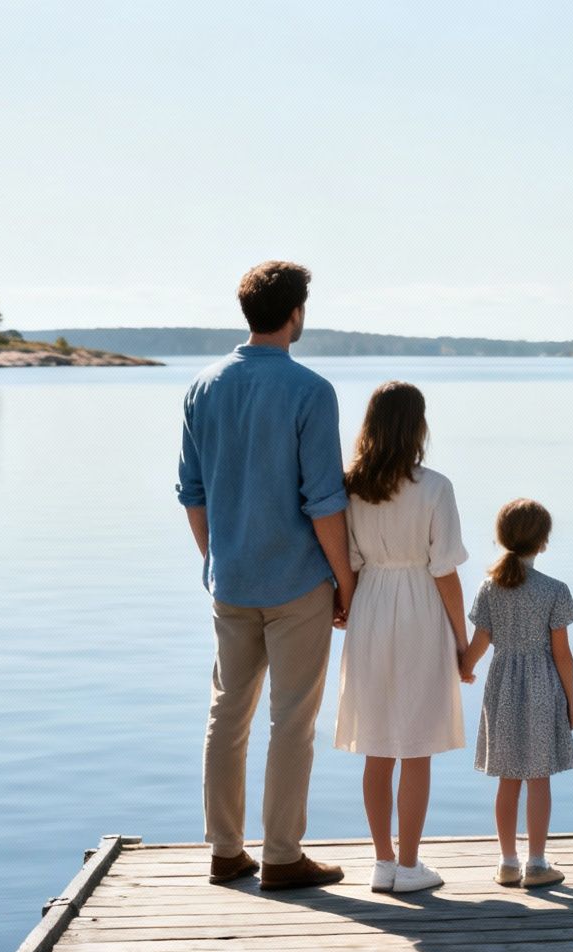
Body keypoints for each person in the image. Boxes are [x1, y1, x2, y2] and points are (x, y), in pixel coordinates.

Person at [176, 260, 352, 891]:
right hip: (298, 582)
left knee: (227, 714)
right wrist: (346, 584)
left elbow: (190, 492)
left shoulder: (203, 385)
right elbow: (325, 502)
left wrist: (214, 557)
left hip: (230, 580)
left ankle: (225, 851)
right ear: (296, 313)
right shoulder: (311, 390)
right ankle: (281, 856)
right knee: (292, 721)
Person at [332, 382, 470, 895]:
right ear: (418, 426)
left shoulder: (350, 487)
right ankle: (410, 867)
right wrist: (463, 639)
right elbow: (445, 571)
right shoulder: (435, 487)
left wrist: (344, 604)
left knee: (377, 745)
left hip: (370, 605)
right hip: (419, 610)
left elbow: (348, 558)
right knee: (415, 746)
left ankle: (384, 863)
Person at [459, 499, 573, 888]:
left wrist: (464, 667)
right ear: (543, 542)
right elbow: (562, 654)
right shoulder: (554, 591)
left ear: (501, 538)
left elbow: (481, 641)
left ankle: (508, 862)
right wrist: (571, 702)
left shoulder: (489, 587)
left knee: (507, 779)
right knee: (538, 778)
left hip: (502, 687)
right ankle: (537, 864)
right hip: (544, 686)